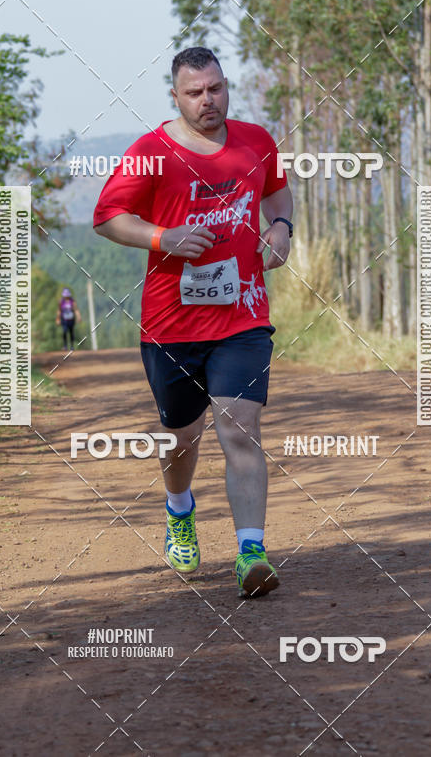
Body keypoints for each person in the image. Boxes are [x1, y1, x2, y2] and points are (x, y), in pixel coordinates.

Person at [93, 46, 293, 597]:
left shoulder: (256, 140)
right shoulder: (152, 152)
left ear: (226, 86)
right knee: (182, 438)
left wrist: (281, 228)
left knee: (239, 428)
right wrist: (165, 238)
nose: (209, 101)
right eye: (195, 93)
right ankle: (179, 507)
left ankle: (251, 552)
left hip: (244, 316)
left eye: (216, 89)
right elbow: (107, 218)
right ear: (175, 96)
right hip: (173, 325)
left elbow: (277, 192)